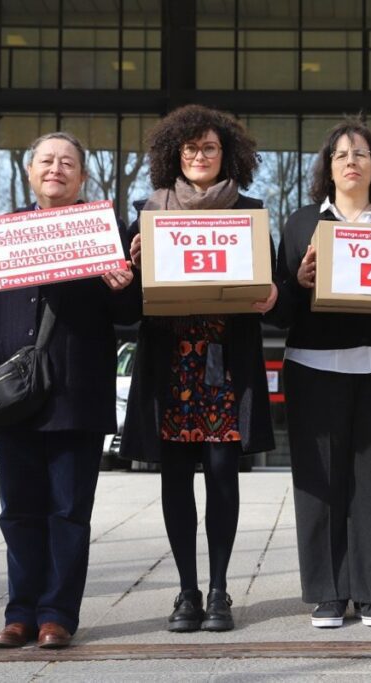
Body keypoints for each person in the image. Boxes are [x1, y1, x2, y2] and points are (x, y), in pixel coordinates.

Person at [0, 132, 140, 648]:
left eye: (67, 162)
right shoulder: (3, 232)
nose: (56, 169)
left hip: (76, 394)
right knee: (18, 510)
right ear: (30, 173)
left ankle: (57, 614)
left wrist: (124, 283)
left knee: (68, 510)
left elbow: (129, 316)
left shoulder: (104, 232)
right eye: (46, 161)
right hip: (12, 395)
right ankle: (20, 613)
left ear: (82, 177)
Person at [119, 105, 277, 633]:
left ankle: (220, 591)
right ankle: (186, 591)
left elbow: (270, 297)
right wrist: (135, 267)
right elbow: (124, 307)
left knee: (223, 477)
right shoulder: (147, 214)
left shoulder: (252, 212)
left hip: (225, 366)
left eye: (209, 147)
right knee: (175, 481)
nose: (200, 155)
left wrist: (272, 293)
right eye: (190, 148)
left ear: (225, 152)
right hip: (171, 366)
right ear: (174, 154)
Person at [270, 118, 371, 629]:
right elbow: (280, 309)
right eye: (340, 154)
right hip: (314, 365)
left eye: (360, 153)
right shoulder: (299, 223)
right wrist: (300, 280)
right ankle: (327, 594)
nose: (351, 161)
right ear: (328, 168)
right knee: (319, 484)